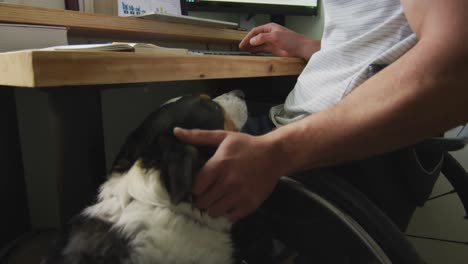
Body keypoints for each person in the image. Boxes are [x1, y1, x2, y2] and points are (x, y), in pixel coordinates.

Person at [174, 0, 468, 228]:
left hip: (331, 153)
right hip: (295, 125)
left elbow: (456, 67)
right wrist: (309, 46)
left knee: (171, 154)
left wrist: (277, 153)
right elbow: (381, 41)